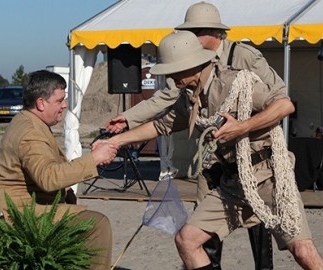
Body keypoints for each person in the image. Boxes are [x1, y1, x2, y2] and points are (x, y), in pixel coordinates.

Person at [100, 31, 323, 270]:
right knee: (187, 240)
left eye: (174, 70)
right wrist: (116, 142)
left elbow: (284, 105)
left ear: (193, 65)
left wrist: (242, 127)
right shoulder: (191, 97)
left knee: (303, 253)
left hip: (269, 178)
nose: (170, 77)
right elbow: (161, 125)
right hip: (233, 184)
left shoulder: (236, 82)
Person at [104, 2, 279, 268]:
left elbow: (277, 97)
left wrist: (243, 126)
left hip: (249, 158)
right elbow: (167, 99)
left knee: (259, 220)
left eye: (196, 32)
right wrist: (128, 119)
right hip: (213, 158)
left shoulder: (243, 56)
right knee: (202, 222)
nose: (190, 38)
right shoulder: (187, 60)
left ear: (214, 32)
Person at [0, 70, 117, 270]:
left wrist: (66, 194)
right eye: (60, 100)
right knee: (96, 225)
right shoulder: (31, 132)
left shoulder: (30, 122)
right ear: (41, 103)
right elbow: (48, 177)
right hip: (14, 218)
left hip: (17, 211)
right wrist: (93, 159)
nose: (64, 105)